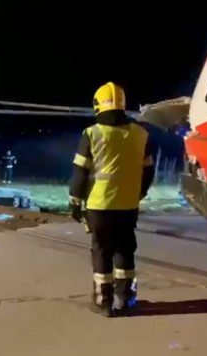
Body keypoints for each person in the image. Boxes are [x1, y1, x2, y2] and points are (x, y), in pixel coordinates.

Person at [68, 82, 155, 317]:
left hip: (99, 206)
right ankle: (126, 299)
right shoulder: (141, 134)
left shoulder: (91, 133)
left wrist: (75, 201)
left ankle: (103, 302)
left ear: (97, 105)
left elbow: (80, 172)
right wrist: (138, 194)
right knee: (125, 250)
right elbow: (148, 171)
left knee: (101, 251)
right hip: (128, 205)